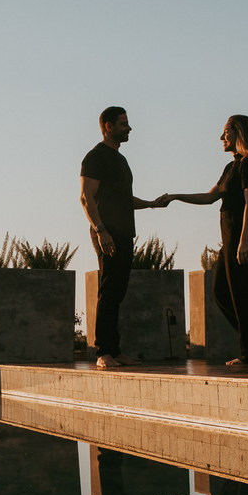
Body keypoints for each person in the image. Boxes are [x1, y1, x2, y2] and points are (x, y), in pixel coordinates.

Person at [158, 115, 248, 364]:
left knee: (242, 293)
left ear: (239, 133)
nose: (221, 137)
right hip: (231, 236)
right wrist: (175, 196)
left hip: (242, 235)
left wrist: (244, 241)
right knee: (221, 291)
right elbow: (209, 197)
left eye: (226, 132)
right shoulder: (231, 167)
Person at [80, 106, 168, 368]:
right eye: (123, 124)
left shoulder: (120, 160)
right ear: (108, 126)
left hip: (124, 233)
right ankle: (103, 353)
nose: (129, 128)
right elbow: (87, 198)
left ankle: (115, 351)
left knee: (118, 292)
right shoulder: (95, 157)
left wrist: (151, 203)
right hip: (107, 234)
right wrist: (101, 230)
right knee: (108, 290)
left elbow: (123, 199)